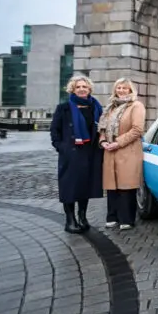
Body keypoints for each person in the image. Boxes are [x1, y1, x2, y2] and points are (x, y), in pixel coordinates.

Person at [50, 75, 104, 234]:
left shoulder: (96, 107)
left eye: (84, 87)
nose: (81, 89)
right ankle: (70, 220)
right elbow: (55, 130)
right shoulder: (64, 108)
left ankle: (82, 217)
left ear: (89, 89)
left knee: (85, 186)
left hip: (90, 152)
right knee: (70, 186)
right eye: (78, 87)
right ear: (72, 89)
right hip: (72, 153)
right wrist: (61, 147)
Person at [98, 78, 146, 230]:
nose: (121, 90)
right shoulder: (110, 107)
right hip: (110, 151)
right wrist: (103, 141)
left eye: (125, 88)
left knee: (126, 186)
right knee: (112, 186)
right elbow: (103, 129)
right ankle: (112, 217)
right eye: (118, 87)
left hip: (127, 150)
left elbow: (137, 130)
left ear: (131, 90)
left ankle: (127, 219)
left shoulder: (136, 106)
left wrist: (118, 142)